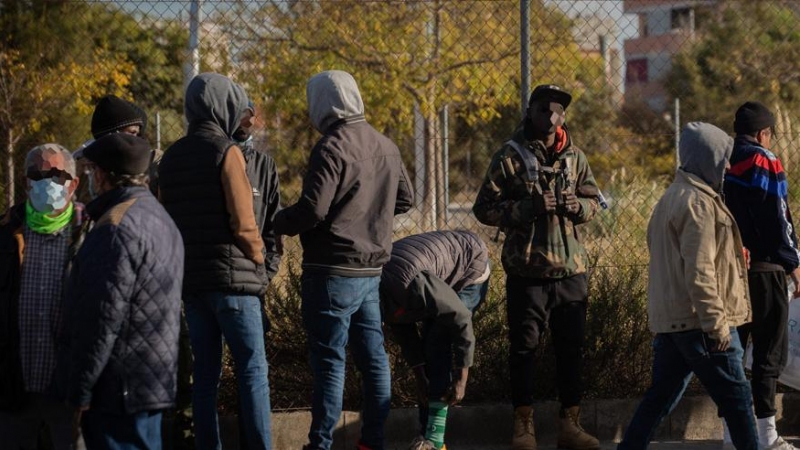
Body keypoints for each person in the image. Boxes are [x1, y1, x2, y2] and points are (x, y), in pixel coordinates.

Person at [273, 69, 413, 450]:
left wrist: (275, 222)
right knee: (374, 359)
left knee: (330, 363)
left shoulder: (331, 146)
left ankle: (320, 445)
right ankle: (373, 441)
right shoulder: (386, 144)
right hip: (371, 271)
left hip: (331, 272)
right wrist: (372, 216)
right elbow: (406, 199)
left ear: (322, 103)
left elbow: (312, 211)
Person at [473, 84, 601, 450]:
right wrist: (527, 208)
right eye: (544, 109)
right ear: (530, 112)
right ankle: (523, 426)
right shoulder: (509, 157)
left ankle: (569, 425)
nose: (551, 116)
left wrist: (578, 207)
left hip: (571, 270)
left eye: (558, 110)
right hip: (527, 271)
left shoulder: (575, 158)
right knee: (524, 350)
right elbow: (483, 209)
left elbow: (595, 201)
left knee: (572, 350)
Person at [617, 122, 757, 450]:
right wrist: (717, 327)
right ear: (706, 158)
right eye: (722, 158)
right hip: (701, 321)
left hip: (674, 321)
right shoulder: (699, 204)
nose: (726, 166)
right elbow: (700, 271)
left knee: (660, 397)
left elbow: (678, 260)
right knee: (738, 400)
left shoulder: (672, 196)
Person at [158, 72, 273, 450]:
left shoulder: (170, 158)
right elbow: (244, 223)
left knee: (205, 378)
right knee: (252, 372)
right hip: (235, 284)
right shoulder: (228, 152)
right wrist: (258, 261)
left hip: (192, 284)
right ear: (224, 106)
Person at [62, 133, 184, 449]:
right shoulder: (160, 218)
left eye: (91, 172)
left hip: (117, 392)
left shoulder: (115, 228)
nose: (90, 178)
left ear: (102, 175)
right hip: (151, 382)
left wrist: (81, 390)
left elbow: (99, 320)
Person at [723, 101, 800, 450]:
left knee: (733, 354)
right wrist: (793, 261)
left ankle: (731, 435)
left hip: (731, 272)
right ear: (763, 132)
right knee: (769, 353)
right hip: (766, 271)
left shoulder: (721, 161)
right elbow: (777, 215)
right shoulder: (763, 159)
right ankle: (767, 436)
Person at [0, 144, 85, 449]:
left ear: (73, 183)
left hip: (67, 388)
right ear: (26, 182)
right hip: (15, 384)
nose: (47, 181)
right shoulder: (8, 232)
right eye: (38, 174)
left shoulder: (87, 232)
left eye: (57, 174)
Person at [380, 230, 490, 450]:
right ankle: (426, 436)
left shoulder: (411, 284)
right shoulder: (380, 298)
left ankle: (433, 441)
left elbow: (460, 319)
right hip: (433, 274)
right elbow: (406, 334)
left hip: (469, 266)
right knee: (430, 351)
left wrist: (461, 377)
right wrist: (420, 377)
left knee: (437, 342)